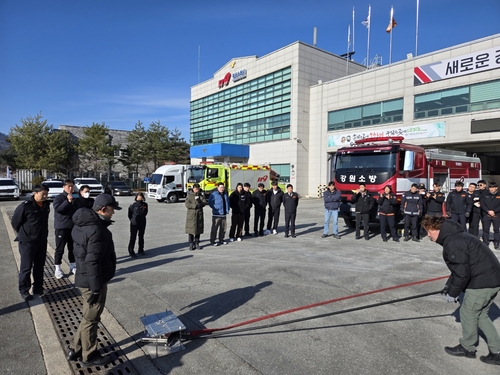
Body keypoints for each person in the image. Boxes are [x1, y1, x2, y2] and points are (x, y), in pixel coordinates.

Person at [421, 215, 500, 366]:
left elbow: (463, 273)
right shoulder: (456, 237)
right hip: (492, 280)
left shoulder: (453, 242)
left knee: (467, 313)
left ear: (436, 229)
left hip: (482, 283)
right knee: (481, 316)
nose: (428, 235)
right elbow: (459, 269)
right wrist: (449, 286)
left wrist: (453, 293)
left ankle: (467, 347)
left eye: (428, 231)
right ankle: (497, 352)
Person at [67, 194, 120, 367]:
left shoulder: (83, 223)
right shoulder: (98, 230)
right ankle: (89, 355)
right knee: (92, 318)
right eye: (112, 210)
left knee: (87, 315)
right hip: (93, 281)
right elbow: (93, 261)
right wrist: (96, 288)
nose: (113, 213)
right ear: (103, 209)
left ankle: (75, 349)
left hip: (84, 276)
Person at [11, 184, 50, 301]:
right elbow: (15, 222)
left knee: (39, 266)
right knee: (26, 267)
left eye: (46, 194)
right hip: (28, 242)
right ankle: (24, 290)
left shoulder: (46, 205)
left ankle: (38, 288)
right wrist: (25, 234)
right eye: (43, 194)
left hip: (41, 241)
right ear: (35, 193)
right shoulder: (25, 206)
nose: (45, 196)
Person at [53, 178, 76, 278]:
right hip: (62, 227)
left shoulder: (76, 197)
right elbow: (59, 209)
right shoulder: (59, 198)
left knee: (73, 248)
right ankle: (57, 268)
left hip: (73, 227)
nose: (70, 188)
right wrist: (68, 201)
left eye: (72, 186)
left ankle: (73, 266)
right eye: (68, 186)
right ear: (64, 187)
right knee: (60, 249)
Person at [185, 184, 206, 250]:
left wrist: (200, 203)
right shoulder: (189, 196)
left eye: (198, 189)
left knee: (198, 230)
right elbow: (187, 204)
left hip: (199, 215)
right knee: (191, 230)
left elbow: (204, 202)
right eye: (195, 189)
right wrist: (195, 206)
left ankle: (197, 243)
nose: (197, 190)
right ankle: (191, 243)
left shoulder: (201, 195)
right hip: (191, 215)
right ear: (193, 189)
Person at [480, 181, 500, 250]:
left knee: (496, 230)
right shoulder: (485, 195)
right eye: (490, 187)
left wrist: (494, 211)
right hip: (486, 215)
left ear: (496, 188)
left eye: (493, 187)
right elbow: (482, 204)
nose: (491, 189)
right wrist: (488, 211)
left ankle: (496, 243)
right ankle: (485, 243)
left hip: (496, 215)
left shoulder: (499, 195)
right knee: (486, 229)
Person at [128, 192, 148, 257]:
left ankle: (141, 249)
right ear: (136, 198)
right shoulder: (133, 205)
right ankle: (131, 251)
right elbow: (129, 214)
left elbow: (145, 213)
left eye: (141, 197)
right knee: (133, 237)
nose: (140, 198)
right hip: (134, 223)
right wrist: (132, 220)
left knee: (141, 236)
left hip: (142, 222)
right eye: (138, 197)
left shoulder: (145, 205)